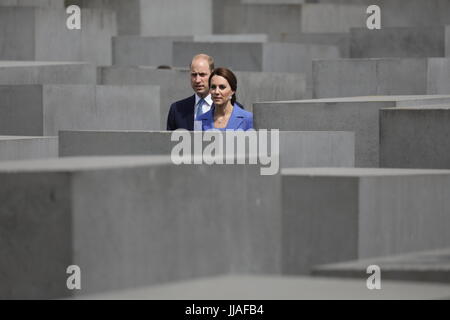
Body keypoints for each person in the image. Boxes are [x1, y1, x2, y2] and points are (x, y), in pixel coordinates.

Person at [166, 54, 244, 131]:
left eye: (202, 74)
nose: (197, 80)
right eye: (194, 75)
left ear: (212, 75)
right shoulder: (177, 110)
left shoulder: (235, 109)